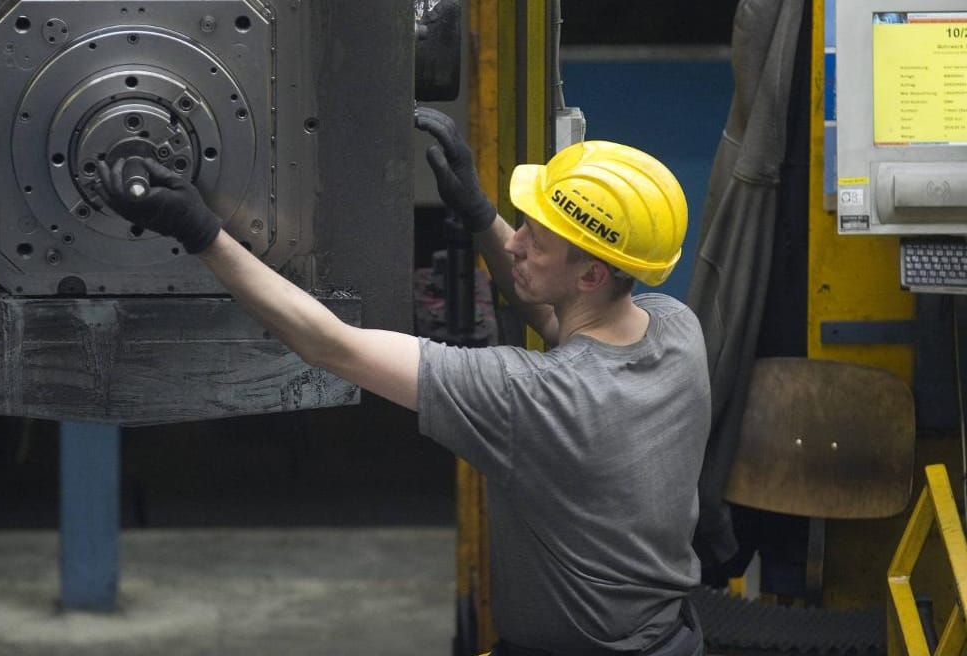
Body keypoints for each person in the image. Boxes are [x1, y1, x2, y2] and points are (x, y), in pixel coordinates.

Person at [95, 107, 710, 656]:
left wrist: (200, 232)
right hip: (674, 636)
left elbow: (331, 344)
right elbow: (557, 323)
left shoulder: (534, 399)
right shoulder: (675, 332)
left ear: (591, 277)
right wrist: (479, 214)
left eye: (537, 240)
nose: (517, 243)